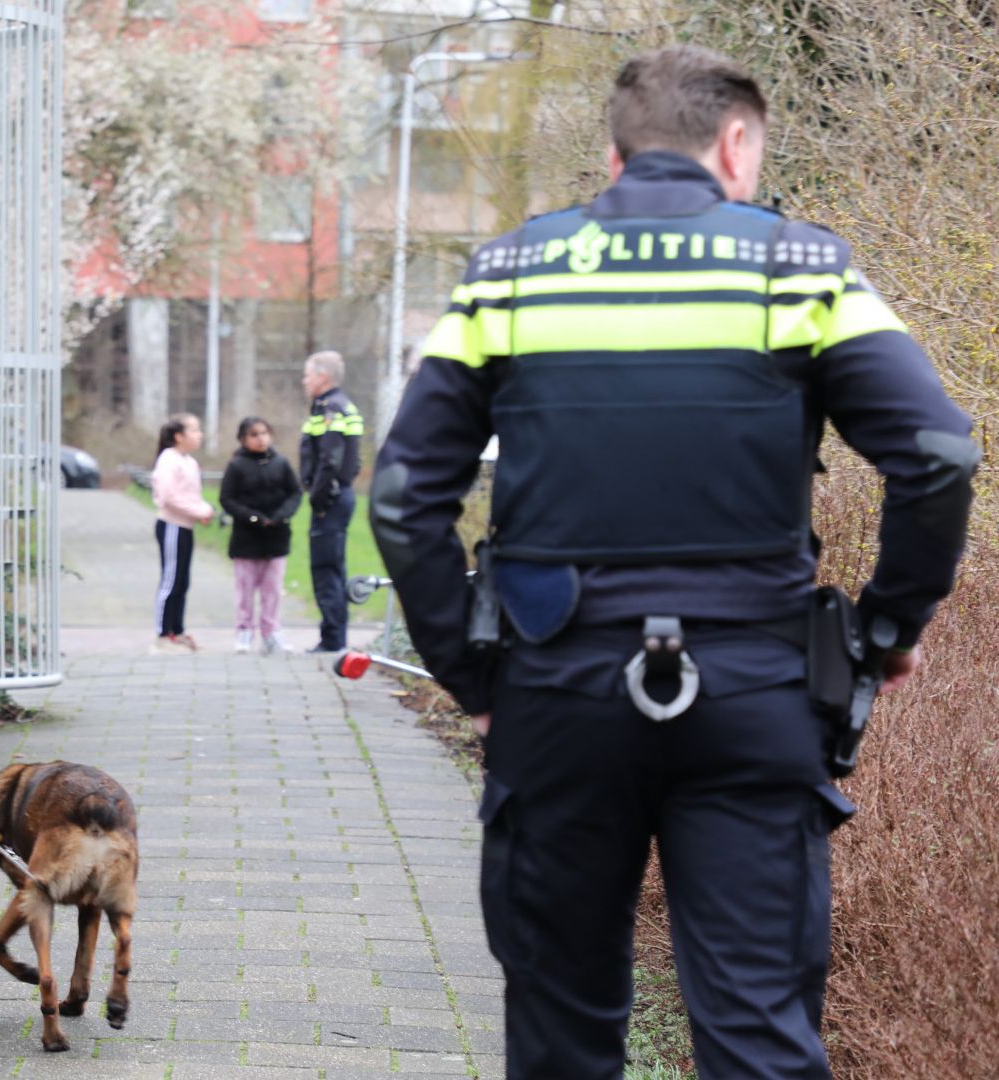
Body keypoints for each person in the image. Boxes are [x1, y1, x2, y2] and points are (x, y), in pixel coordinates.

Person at [368, 46, 977, 1080]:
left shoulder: (510, 276)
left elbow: (400, 496)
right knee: (756, 1034)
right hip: (757, 692)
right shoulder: (802, 269)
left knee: (561, 1034)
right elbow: (937, 454)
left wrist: (476, 680)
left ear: (615, 157)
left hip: (556, 696)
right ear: (735, 143)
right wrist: (881, 636)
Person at [218, 416, 301, 656]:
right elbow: (227, 499)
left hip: (276, 536)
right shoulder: (236, 466)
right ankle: (244, 630)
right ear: (244, 439)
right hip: (246, 538)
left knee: (273, 589)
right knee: (245, 589)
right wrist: (251, 517)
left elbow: (294, 493)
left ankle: (271, 631)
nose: (261, 438)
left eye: (264, 433)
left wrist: (281, 516)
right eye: (254, 435)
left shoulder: (282, 463)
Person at [298, 351, 364, 653]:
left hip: (331, 499)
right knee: (332, 567)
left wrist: (318, 498)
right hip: (338, 496)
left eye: (308, 375)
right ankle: (333, 635)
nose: (305, 381)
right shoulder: (338, 406)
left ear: (323, 377)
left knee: (326, 568)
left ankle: (333, 639)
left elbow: (330, 458)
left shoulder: (331, 409)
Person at [150, 412, 212, 653]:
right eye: (194, 430)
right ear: (178, 436)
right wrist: (198, 511)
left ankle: (177, 630)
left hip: (186, 527)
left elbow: (191, 496)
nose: (199, 435)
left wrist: (203, 510)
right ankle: (162, 634)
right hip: (172, 527)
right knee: (171, 579)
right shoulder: (168, 460)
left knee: (183, 580)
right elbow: (169, 497)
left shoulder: (190, 462)